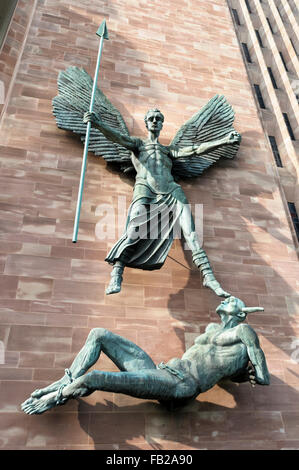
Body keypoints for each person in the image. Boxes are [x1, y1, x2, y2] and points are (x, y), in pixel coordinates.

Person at [83, 108, 241, 296]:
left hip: (172, 191)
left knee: (191, 234)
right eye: (151, 118)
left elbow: (195, 150)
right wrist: (98, 124)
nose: (155, 121)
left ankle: (209, 277)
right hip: (146, 190)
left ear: (162, 123)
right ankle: (117, 274)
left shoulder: (168, 151)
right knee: (133, 232)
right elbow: (118, 138)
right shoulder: (138, 145)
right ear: (146, 122)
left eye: (158, 119)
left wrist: (224, 141)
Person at [21, 296, 269, 415]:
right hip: (161, 372)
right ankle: (66, 381)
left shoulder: (244, 332)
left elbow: (261, 375)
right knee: (99, 334)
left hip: (181, 385)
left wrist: (253, 372)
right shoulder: (212, 329)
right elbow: (225, 366)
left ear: (240, 313)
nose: (228, 297)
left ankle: (55, 398)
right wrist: (240, 374)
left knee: (94, 378)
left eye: (233, 299)